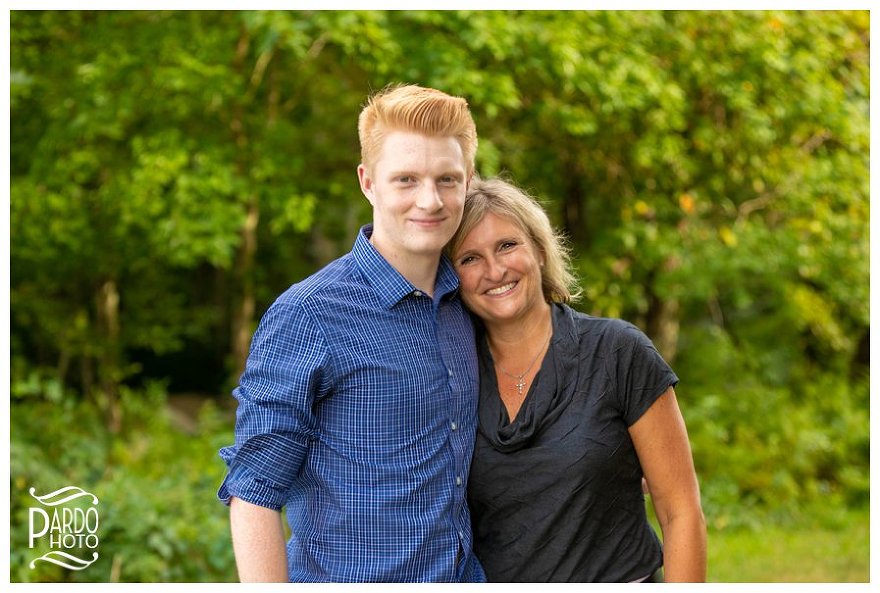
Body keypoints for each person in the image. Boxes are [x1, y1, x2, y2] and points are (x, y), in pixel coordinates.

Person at [217, 84, 485, 583]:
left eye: (446, 179)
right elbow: (254, 491)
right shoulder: (309, 315)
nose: (429, 200)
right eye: (405, 179)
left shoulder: (467, 304)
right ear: (367, 182)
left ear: (468, 181)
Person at [446, 176, 707, 582]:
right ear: (453, 278)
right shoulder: (451, 374)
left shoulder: (617, 352)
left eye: (507, 245)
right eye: (469, 259)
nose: (494, 270)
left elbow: (681, 512)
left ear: (539, 249)